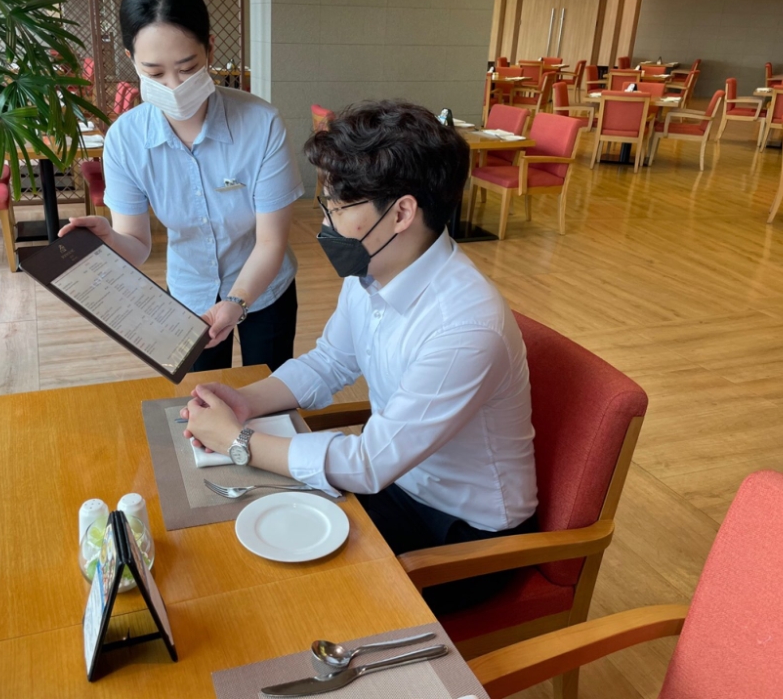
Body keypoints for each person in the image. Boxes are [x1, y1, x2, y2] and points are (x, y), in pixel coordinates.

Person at [182, 100, 538, 614]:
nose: (326, 221)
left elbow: (369, 463)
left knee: (283, 598)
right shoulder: (375, 270)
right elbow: (329, 361)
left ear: (401, 212)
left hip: (468, 538)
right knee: (245, 544)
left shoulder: (464, 327)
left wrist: (239, 443)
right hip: (398, 486)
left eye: (339, 207)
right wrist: (244, 402)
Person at [59, 0, 302, 372]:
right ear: (130, 59)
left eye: (188, 68)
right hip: (189, 293)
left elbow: (271, 242)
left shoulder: (261, 124)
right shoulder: (126, 140)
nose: (173, 86)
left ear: (209, 49)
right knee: (204, 399)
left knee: (269, 390)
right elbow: (137, 245)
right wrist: (109, 239)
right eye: (154, 73)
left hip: (264, 287)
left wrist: (237, 301)